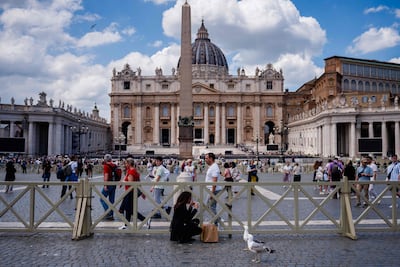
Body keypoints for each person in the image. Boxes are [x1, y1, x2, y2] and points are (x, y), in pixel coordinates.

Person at [118, 158, 149, 230]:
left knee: (130, 210)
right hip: (130, 192)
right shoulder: (131, 170)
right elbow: (136, 182)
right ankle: (126, 225)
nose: (125, 165)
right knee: (128, 209)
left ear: (129, 164)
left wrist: (122, 183)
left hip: (130, 192)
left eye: (126, 163)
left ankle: (145, 220)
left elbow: (130, 183)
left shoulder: (132, 171)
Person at [205, 152, 222, 225]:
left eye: (206, 158)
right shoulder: (212, 166)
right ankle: (217, 220)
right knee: (210, 206)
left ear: (211, 158)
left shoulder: (214, 167)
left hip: (213, 190)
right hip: (211, 190)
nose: (205, 160)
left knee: (210, 206)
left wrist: (212, 192)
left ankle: (216, 222)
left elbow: (214, 180)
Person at [101, 154, 117, 221]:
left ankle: (108, 213)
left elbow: (106, 175)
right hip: (114, 184)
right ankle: (111, 215)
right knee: (112, 200)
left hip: (109, 183)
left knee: (102, 198)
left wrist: (105, 185)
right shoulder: (115, 165)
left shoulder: (106, 166)